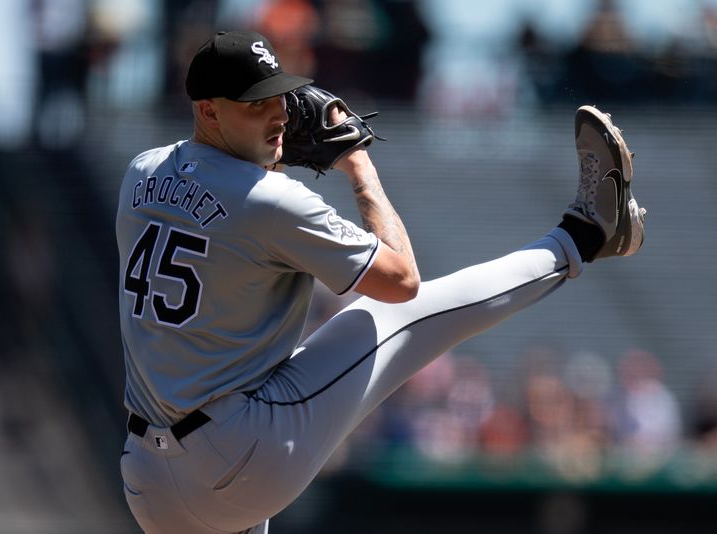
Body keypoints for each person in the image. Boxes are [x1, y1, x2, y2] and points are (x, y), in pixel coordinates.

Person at [116, 30, 645, 534]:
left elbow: (226, 223)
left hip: (147, 482)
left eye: (279, 96)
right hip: (236, 456)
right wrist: (359, 167)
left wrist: (268, 162)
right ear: (207, 109)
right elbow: (402, 281)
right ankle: (585, 234)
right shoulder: (271, 201)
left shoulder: (141, 172)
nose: (279, 114)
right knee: (387, 316)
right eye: (256, 104)